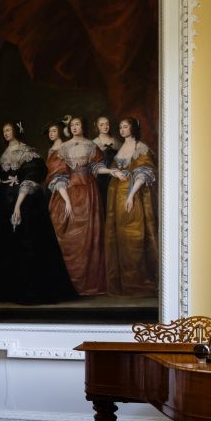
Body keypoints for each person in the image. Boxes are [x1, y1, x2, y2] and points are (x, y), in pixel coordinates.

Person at [0, 121, 75, 304]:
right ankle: (10, 291)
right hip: (3, 204)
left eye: (8, 130)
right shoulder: (4, 153)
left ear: (16, 131)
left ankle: (29, 291)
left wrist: (18, 205)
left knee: (28, 244)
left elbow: (32, 177)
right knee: (7, 245)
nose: (6, 133)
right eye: (4, 131)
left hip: (25, 202)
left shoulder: (28, 151)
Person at [47, 115, 106, 296]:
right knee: (66, 233)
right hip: (68, 193)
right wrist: (66, 200)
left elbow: (97, 167)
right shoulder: (63, 148)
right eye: (72, 125)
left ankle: (88, 283)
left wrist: (110, 170)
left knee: (89, 235)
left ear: (83, 126)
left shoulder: (91, 146)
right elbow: (58, 175)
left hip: (89, 194)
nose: (74, 127)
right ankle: (67, 284)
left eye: (77, 124)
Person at [103, 117, 159, 296]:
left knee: (134, 235)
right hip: (116, 196)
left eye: (125, 127)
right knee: (119, 236)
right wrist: (115, 172)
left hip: (132, 195)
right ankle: (123, 283)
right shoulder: (121, 147)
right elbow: (114, 168)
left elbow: (143, 173)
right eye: (120, 127)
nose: (122, 130)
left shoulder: (140, 147)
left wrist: (131, 195)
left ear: (133, 128)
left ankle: (137, 281)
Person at [92, 115, 121, 215]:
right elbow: (93, 164)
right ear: (97, 126)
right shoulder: (94, 142)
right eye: (101, 125)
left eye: (107, 124)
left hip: (115, 175)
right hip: (101, 177)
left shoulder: (116, 141)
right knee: (103, 201)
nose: (105, 127)